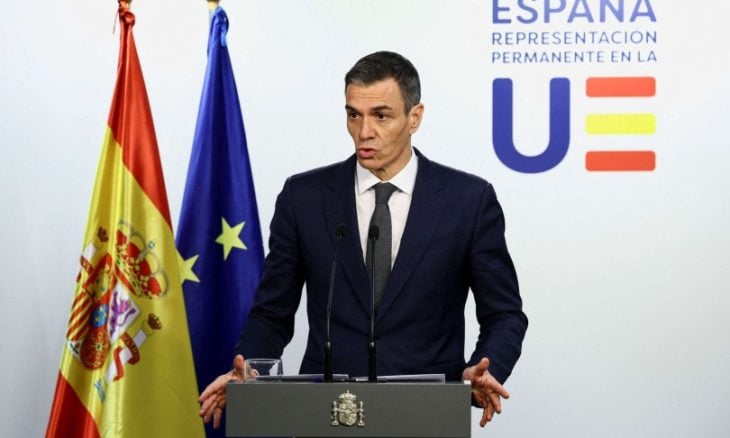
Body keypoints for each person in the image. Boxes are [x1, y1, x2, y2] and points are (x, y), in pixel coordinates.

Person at [199, 51, 527, 428]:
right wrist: (250, 369)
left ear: (415, 117)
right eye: (354, 115)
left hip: (426, 415)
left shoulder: (468, 201)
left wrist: (484, 369)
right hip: (325, 415)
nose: (364, 131)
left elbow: (504, 314)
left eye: (381, 116)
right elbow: (272, 312)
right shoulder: (303, 198)